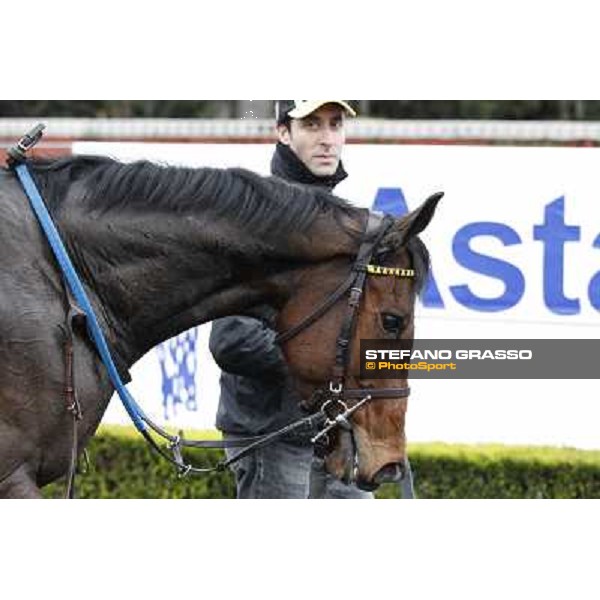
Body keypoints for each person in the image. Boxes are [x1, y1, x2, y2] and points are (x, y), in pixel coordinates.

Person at [210, 100, 376, 499]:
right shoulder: (255, 222)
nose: (327, 139)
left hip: (337, 434)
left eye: (335, 125)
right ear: (283, 133)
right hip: (272, 437)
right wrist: (326, 363)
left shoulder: (345, 221)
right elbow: (232, 341)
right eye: (312, 125)